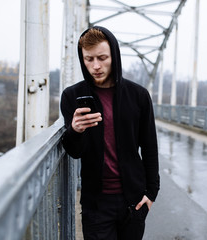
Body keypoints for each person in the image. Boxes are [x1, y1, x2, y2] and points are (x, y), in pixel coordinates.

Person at [60, 26, 160, 240]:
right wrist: (75, 130)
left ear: (114, 55)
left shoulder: (139, 96)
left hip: (133, 201)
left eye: (102, 58)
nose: (96, 66)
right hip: (96, 203)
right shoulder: (72, 96)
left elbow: (150, 147)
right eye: (89, 59)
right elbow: (75, 152)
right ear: (82, 59)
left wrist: (151, 193)